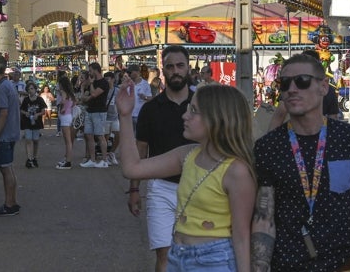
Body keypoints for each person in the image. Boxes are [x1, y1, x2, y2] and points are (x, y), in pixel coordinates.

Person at [251, 53, 350, 271]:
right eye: (285, 83)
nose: (292, 89)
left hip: (345, 264)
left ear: (323, 87)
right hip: (288, 265)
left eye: (302, 81)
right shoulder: (268, 147)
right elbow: (264, 219)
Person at [118, 81, 256, 272]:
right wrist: (124, 116)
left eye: (194, 110)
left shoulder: (236, 171)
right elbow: (132, 168)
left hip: (214, 261)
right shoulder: (187, 155)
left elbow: (242, 237)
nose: (185, 115)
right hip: (177, 256)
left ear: (217, 118)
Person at [127, 45, 195, 272]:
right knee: (165, 254)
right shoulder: (150, 109)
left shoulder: (202, 105)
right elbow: (140, 150)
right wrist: (134, 189)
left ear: (189, 68)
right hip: (161, 190)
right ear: (163, 71)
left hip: (200, 187)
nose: (175, 70)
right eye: (170, 66)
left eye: (180, 65)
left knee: (194, 253)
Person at [267, 49, 340, 132]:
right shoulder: (329, 90)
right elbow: (334, 118)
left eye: (304, 80)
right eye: (285, 81)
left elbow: (279, 115)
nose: (292, 90)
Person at [0, 55, 21, 216]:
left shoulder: (2, 88)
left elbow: (3, 112)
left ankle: (9, 203)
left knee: (5, 168)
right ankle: (12, 201)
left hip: (4, 135)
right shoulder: (8, 85)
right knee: (8, 167)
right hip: (11, 133)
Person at [80, 62, 109, 168]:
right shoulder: (92, 82)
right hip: (90, 111)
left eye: (90, 70)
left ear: (96, 70)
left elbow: (94, 94)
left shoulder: (103, 83)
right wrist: (84, 88)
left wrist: (91, 84)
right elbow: (85, 98)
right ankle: (92, 159)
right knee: (89, 135)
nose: (89, 72)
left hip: (99, 111)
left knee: (100, 135)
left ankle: (105, 160)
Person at [20, 82, 47, 168]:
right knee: (28, 139)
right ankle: (29, 158)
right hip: (27, 122)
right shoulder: (26, 100)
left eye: (32, 89)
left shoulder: (39, 99)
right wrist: (26, 113)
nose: (30, 91)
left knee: (35, 140)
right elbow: (21, 110)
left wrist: (38, 114)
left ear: (35, 90)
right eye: (28, 89)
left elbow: (44, 111)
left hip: (36, 123)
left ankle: (34, 157)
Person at [55, 76, 77, 170]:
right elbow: (74, 103)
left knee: (67, 141)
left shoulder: (63, 92)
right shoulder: (70, 93)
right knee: (68, 141)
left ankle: (68, 161)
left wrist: (63, 108)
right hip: (69, 116)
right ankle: (67, 159)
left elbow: (63, 101)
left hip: (65, 117)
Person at [127, 63, 152, 133]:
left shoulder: (145, 84)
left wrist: (145, 97)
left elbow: (151, 98)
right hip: (129, 115)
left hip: (140, 115)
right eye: (128, 72)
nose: (129, 74)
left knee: (139, 135)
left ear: (137, 72)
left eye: (130, 72)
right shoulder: (128, 83)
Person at [103, 71, 120, 166]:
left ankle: (112, 153)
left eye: (108, 79)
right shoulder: (103, 90)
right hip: (105, 117)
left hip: (115, 117)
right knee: (105, 137)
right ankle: (105, 157)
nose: (106, 81)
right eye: (105, 79)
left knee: (118, 135)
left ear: (113, 79)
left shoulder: (117, 90)